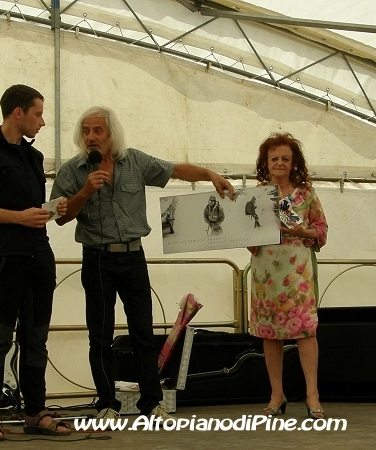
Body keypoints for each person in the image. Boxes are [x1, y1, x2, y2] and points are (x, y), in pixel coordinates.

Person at [50, 106, 234, 421]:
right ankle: (106, 404)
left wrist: (210, 175)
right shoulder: (72, 170)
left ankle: (151, 403)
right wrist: (85, 191)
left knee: (143, 333)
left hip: (134, 256)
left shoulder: (134, 161)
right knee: (100, 335)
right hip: (97, 257)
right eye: (86, 131)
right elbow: (60, 217)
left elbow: (175, 170)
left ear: (111, 134)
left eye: (98, 131)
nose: (91, 137)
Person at [0, 84, 70, 441]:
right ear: (18, 112)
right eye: (38, 113)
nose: (42, 121)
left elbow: (31, 211)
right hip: (3, 258)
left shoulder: (34, 157)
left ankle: (35, 411)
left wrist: (52, 210)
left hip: (38, 255)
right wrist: (18, 218)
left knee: (36, 339)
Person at [247, 132, 328, 418]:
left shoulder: (306, 193)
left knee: (305, 330)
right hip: (265, 271)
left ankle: (312, 395)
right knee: (270, 333)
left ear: (294, 163)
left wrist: (302, 231)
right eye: (274, 159)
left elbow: (321, 229)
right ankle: (276, 394)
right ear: (265, 162)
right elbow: (246, 235)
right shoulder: (256, 194)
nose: (279, 163)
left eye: (285, 158)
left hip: (298, 273)